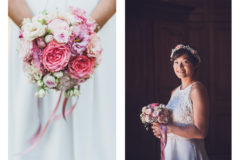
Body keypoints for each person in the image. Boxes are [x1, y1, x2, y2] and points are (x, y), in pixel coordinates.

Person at [8, 0, 116, 160]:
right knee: (26, 114)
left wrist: (84, 34)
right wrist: (38, 38)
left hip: (94, 20)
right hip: (29, 17)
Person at [152, 44, 209, 160]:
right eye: (176, 62)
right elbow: (173, 123)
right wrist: (161, 130)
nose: (180, 66)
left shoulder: (196, 89)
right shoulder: (174, 92)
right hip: (172, 149)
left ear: (195, 64)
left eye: (185, 62)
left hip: (187, 150)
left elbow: (201, 132)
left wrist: (169, 128)